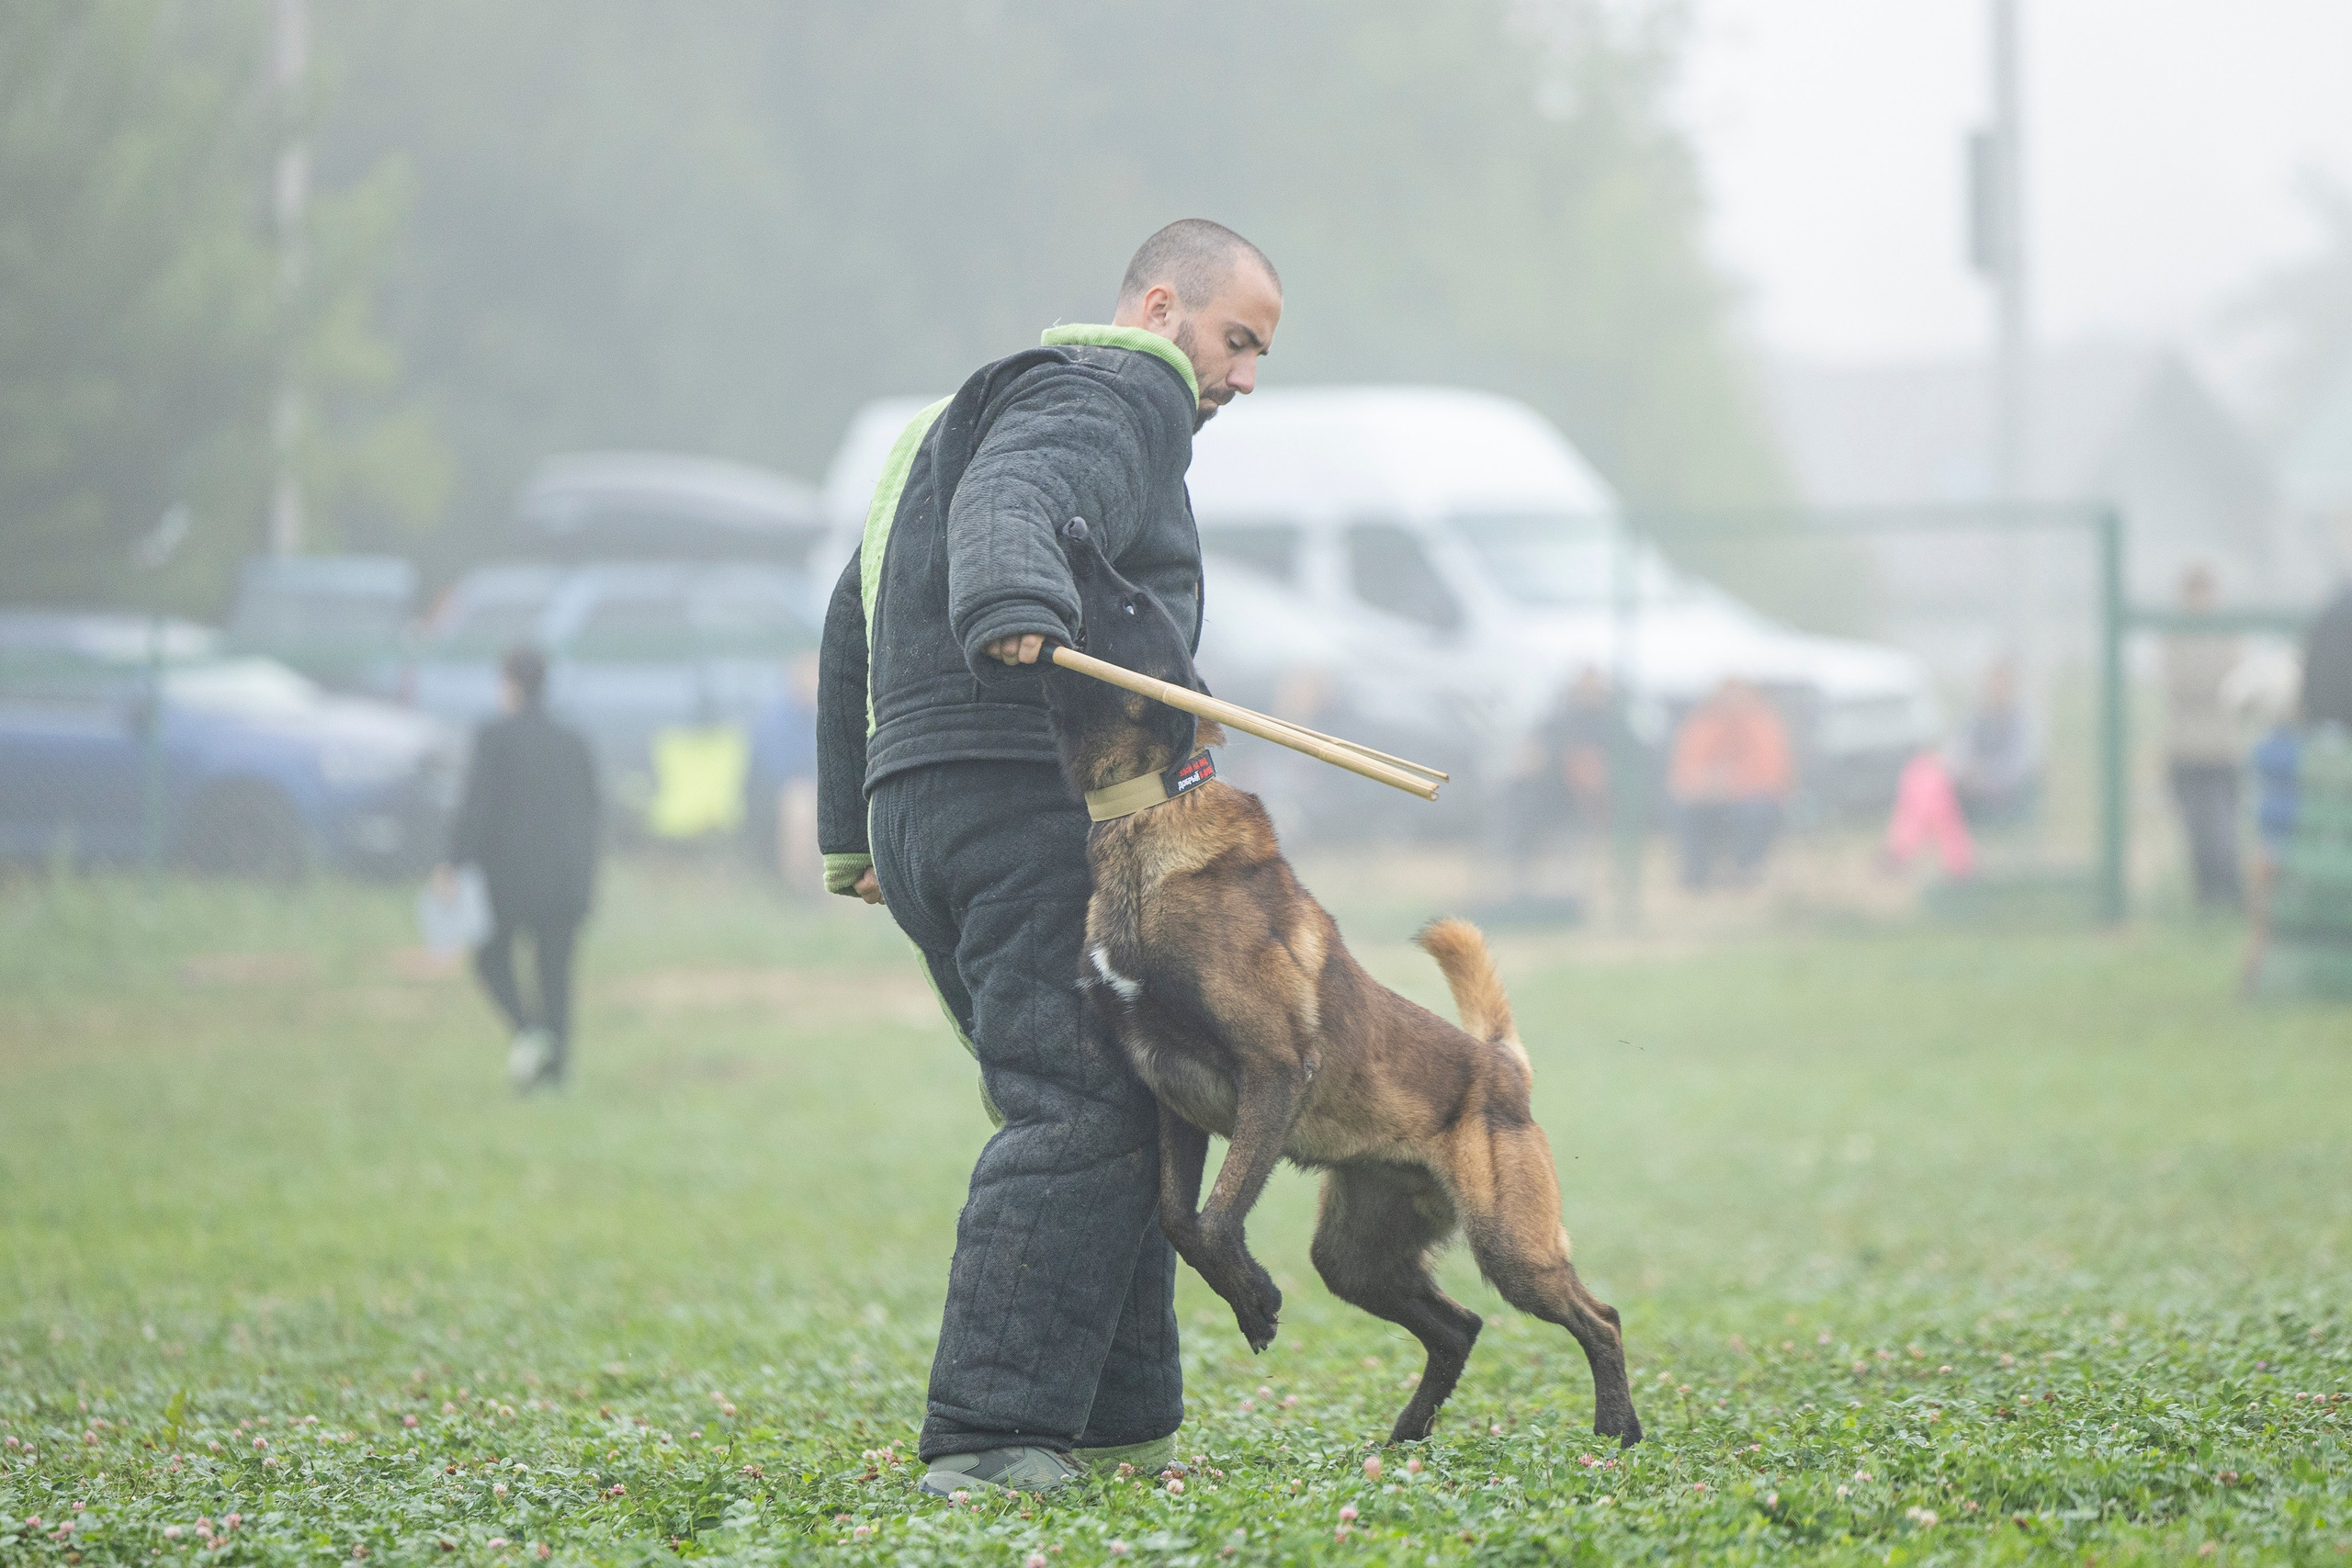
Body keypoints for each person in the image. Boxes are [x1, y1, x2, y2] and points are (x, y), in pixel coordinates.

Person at [814, 220, 1282, 1496]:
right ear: (1160, 303)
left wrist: (854, 831)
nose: (1243, 375)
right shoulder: (1114, 389)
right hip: (1025, 798)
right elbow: (1024, 494)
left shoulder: (938, 428)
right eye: (1237, 339)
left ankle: (1116, 1423)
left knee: (1121, 1099)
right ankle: (990, 1436)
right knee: (1084, 1098)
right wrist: (1016, 597)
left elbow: (848, 610)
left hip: (926, 806)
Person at [437, 645, 601, 1094]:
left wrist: (452, 865)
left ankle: (531, 1036)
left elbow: (476, 808)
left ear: (508, 683)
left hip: (508, 883)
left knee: (491, 960)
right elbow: (592, 813)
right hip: (566, 881)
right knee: (555, 975)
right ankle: (556, 1069)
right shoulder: (573, 741)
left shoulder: (493, 738)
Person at [2163, 565, 2244, 908]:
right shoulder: (2173, 636)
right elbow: (2181, 680)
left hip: (2222, 750)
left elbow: (2234, 682)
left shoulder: (2227, 634)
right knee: (2196, 833)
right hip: (2185, 749)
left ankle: (2232, 898)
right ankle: (2206, 901)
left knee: (2224, 831)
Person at [1667, 677, 1792, 890]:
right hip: (1708, 801)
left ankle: (1746, 874)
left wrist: (1731, 782)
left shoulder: (1761, 722)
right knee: (1685, 811)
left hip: (1750, 799)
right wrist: (1704, 784)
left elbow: (1772, 773)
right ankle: (1696, 878)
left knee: (1758, 812)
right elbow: (1684, 772)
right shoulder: (1704, 723)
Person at [1951, 657, 2042, 825]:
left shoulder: (2020, 719)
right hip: (1977, 787)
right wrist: (1971, 772)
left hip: (2008, 788)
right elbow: (1963, 750)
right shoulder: (1977, 716)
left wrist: (1989, 775)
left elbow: (2019, 762)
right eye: (1993, 683)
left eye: (2002, 683)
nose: (1997, 689)